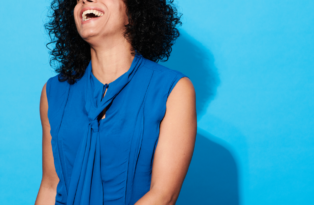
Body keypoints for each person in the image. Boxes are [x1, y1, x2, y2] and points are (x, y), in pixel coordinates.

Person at [35, 0, 196, 204]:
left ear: (134, 12)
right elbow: (50, 185)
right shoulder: (53, 92)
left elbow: (163, 195)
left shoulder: (173, 89)